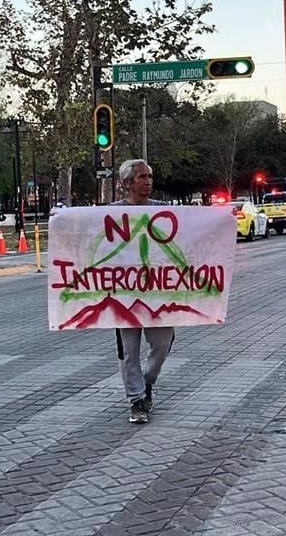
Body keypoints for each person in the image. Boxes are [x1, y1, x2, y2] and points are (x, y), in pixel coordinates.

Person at [109, 159, 174, 425]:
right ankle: (136, 400)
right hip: (123, 293)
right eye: (141, 177)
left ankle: (146, 383)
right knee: (129, 350)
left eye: (149, 176)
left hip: (157, 293)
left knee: (162, 343)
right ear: (126, 184)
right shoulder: (111, 213)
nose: (148, 181)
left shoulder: (165, 211)